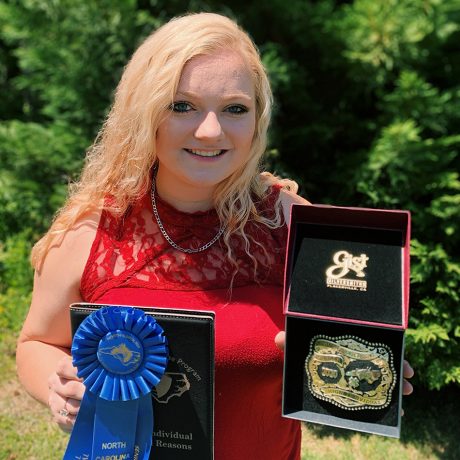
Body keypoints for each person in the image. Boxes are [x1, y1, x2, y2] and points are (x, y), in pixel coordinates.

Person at [16, 12, 413, 460]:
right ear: (144, 112)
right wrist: (58, 384)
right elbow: (37, 343)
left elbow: (347, 342)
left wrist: (375, 366)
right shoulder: (90, 231)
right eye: (182, 105)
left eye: (234, 108)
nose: (210, 131)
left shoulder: (290, 224)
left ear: (257, 119)